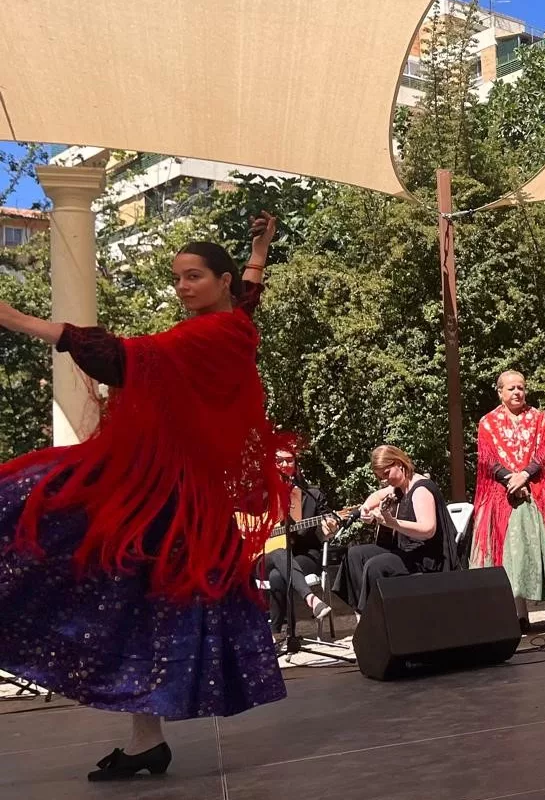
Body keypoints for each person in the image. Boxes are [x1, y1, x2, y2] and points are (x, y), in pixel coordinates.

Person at [0, 214, 289, 780]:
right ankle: (144, 741)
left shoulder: (203, 335)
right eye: (177, 277)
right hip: (175, 498)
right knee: (136, 602)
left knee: (33, 509)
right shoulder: (235, 323)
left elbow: (115, 357)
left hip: (162, 498)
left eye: (193, 277)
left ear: (220, 281)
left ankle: (145, 739)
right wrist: (259, 247)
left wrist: (11, 318)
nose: (181, 287)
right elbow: (249, 294)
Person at [470, 370, 545, 629]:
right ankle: (518, 615)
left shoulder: (538, 418)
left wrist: (524, 475)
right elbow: (487, 459)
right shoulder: (487, 423)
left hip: (540, 489)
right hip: (503, 496)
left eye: (521, 387)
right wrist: (510, 480)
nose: (517, 392)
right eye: (511, 388)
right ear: (500, 392)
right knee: (513, 554)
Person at [333, 446, 461, 615]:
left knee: (375, 566)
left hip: (429, 557)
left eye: (386, 474)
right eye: (380, 477)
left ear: (399, 464)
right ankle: (366, 613)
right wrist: (365, 508)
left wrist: (392, 522)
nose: (385, 480)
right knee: (355, 555)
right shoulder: (400, 487)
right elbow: (377, 496)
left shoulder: (421, 489)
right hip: (407, 550)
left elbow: (428, 530)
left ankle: (380, 617)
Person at [263, 445, 334, 628]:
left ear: (296, 464)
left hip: (305, 555)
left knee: (278, 576)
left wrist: (329, 528)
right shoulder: (262, 495)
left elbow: (327, 526)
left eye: (289, 460)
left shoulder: (312, 494)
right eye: (279, 461)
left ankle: (279, 633)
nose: (285, 464)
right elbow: (243, 519)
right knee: (279, 553)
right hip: (266, 556)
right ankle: (312, 600)